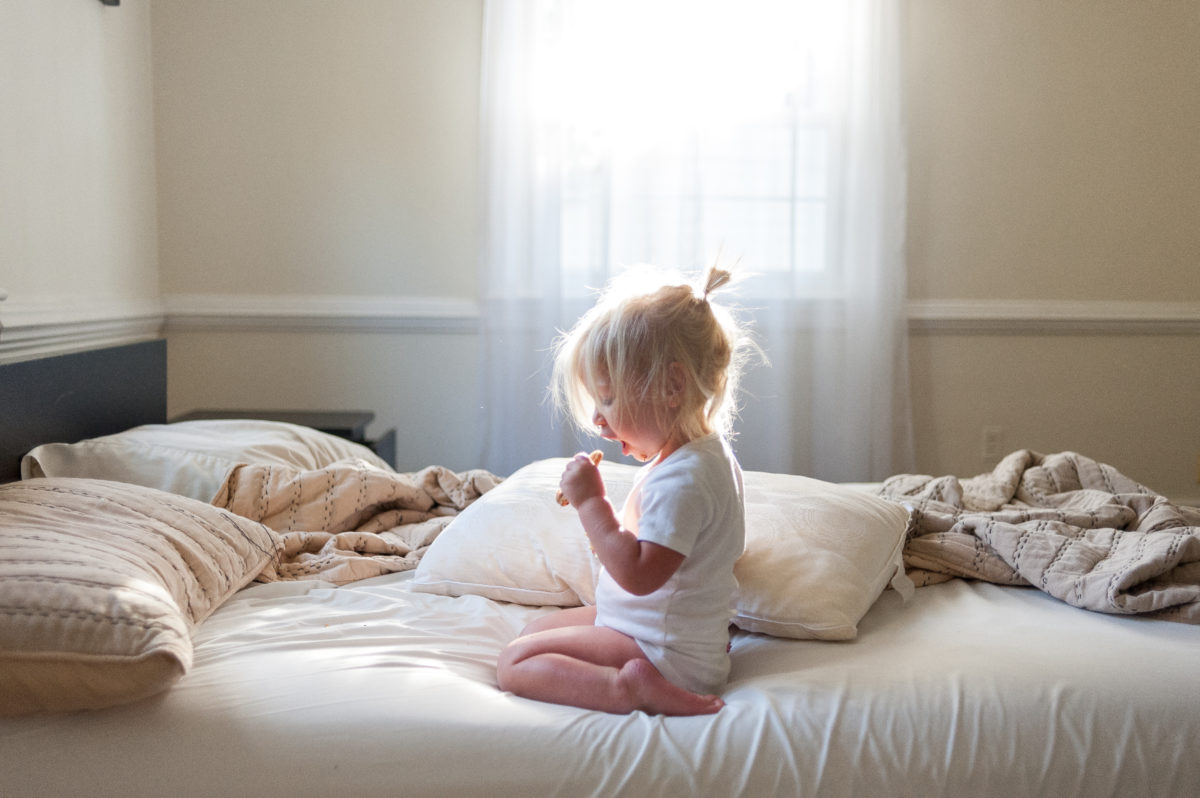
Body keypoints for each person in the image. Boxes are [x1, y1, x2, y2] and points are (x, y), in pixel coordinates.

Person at [496, 265, 756, 715]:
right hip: (663, 635)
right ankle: (636, 676)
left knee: (515, 662)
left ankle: (628, 689)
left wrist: (591, 503)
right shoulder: (705, 459)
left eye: (609, 400)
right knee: (530, 633)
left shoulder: (684, 480)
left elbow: (637, 575)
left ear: (673, 386)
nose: (598, 419)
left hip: (661, 655)